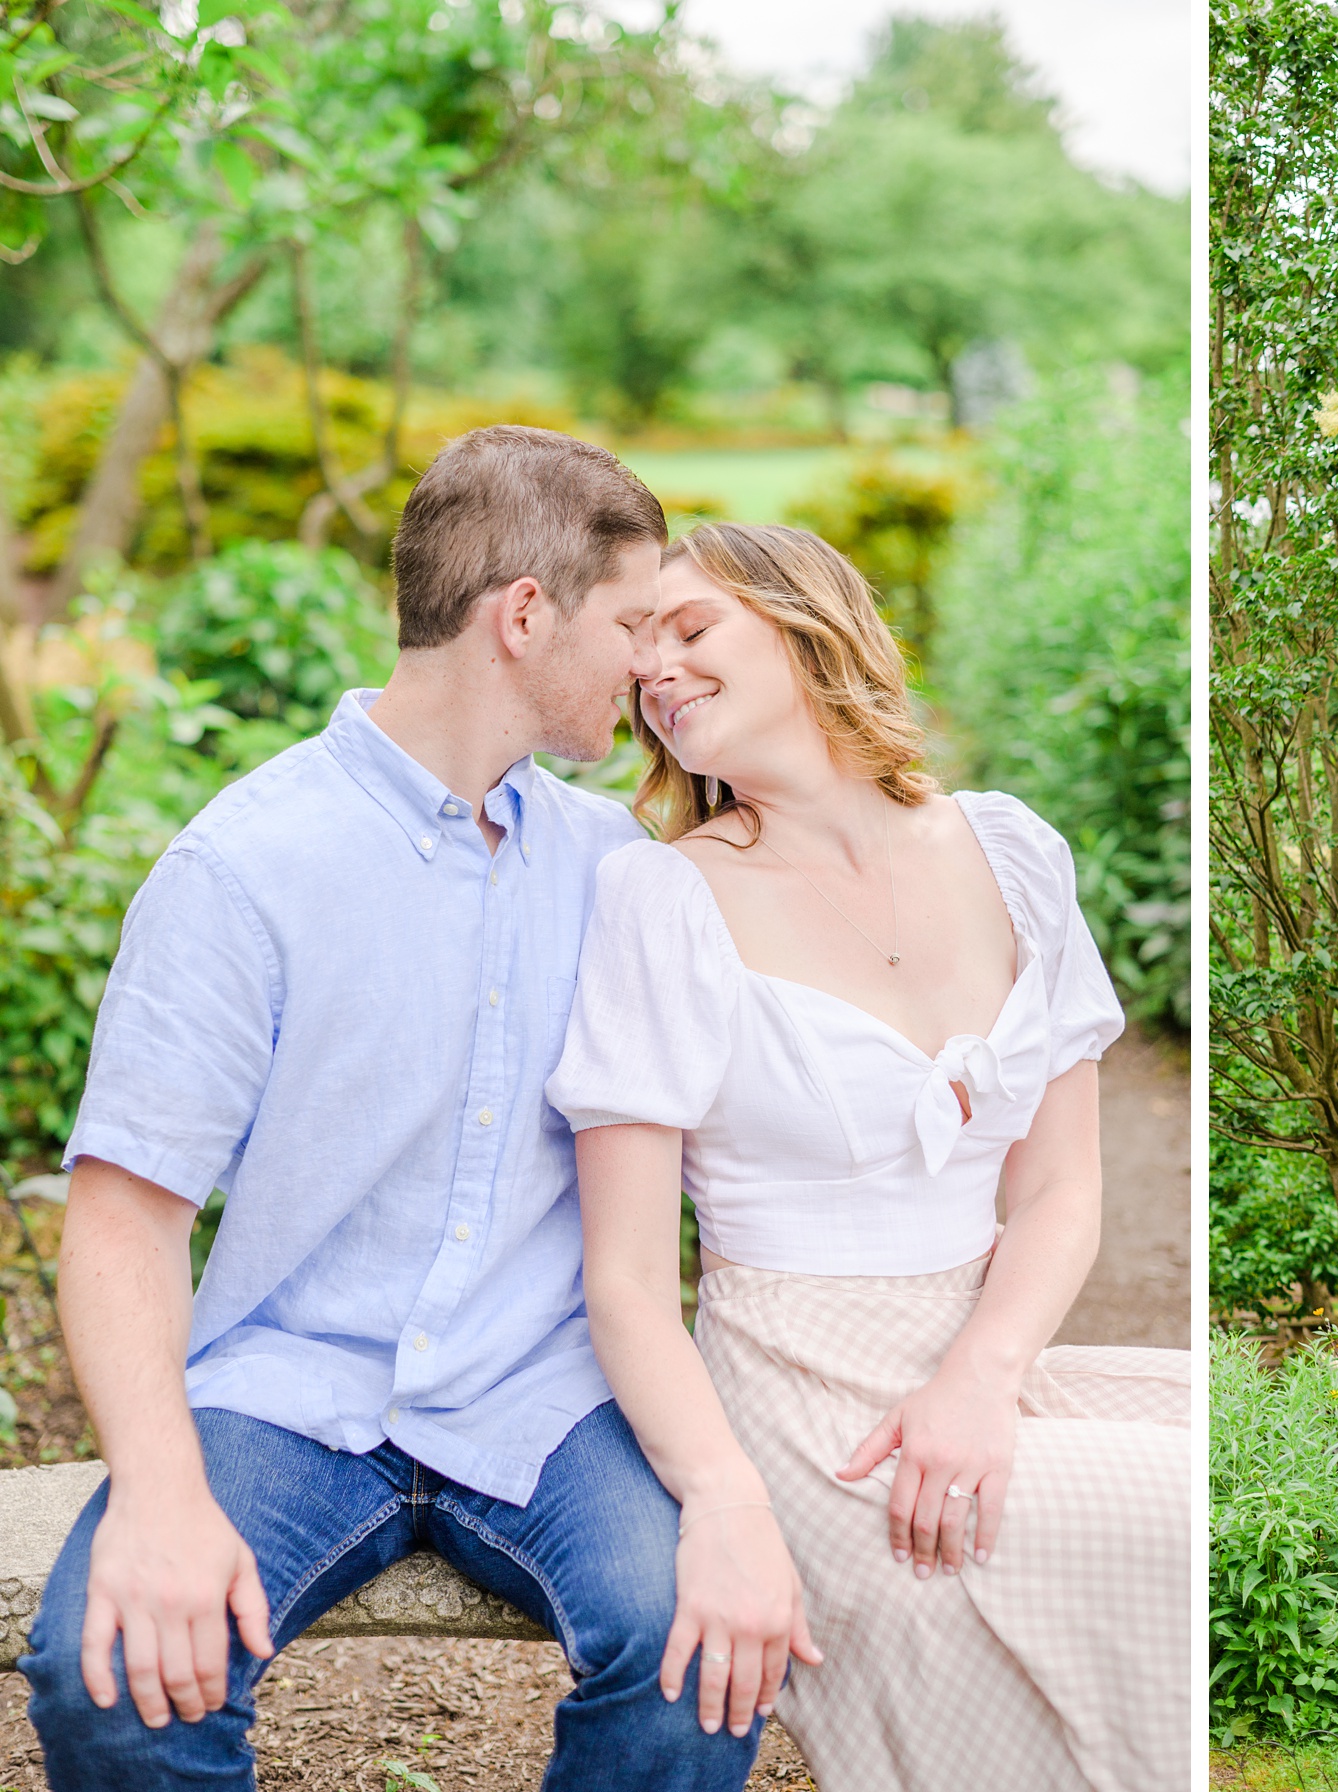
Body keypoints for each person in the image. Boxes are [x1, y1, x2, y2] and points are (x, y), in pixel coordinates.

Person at [24, 427, 779, 1791]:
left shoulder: (619, 867)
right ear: (525, 616)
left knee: (696, 1650)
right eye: (629, 623)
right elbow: (122, 1225)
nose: (648, 666)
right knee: (106, 1673)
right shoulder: (241, 871)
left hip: (549, 1397)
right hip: (291, 1394)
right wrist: (156, 1489)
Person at [548, 521, 1189, 1792]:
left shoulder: (1012, 850)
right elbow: (624, 1281)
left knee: (1191, 1466)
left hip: (982, 1357)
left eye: (693, 629)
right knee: (1159, 1521)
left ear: (808, 623)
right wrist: (727, 1501)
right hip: (801, 1393)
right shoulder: (664, 899)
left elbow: (1061, 1189)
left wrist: (981, 1377)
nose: (658, 673)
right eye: (641, 654)